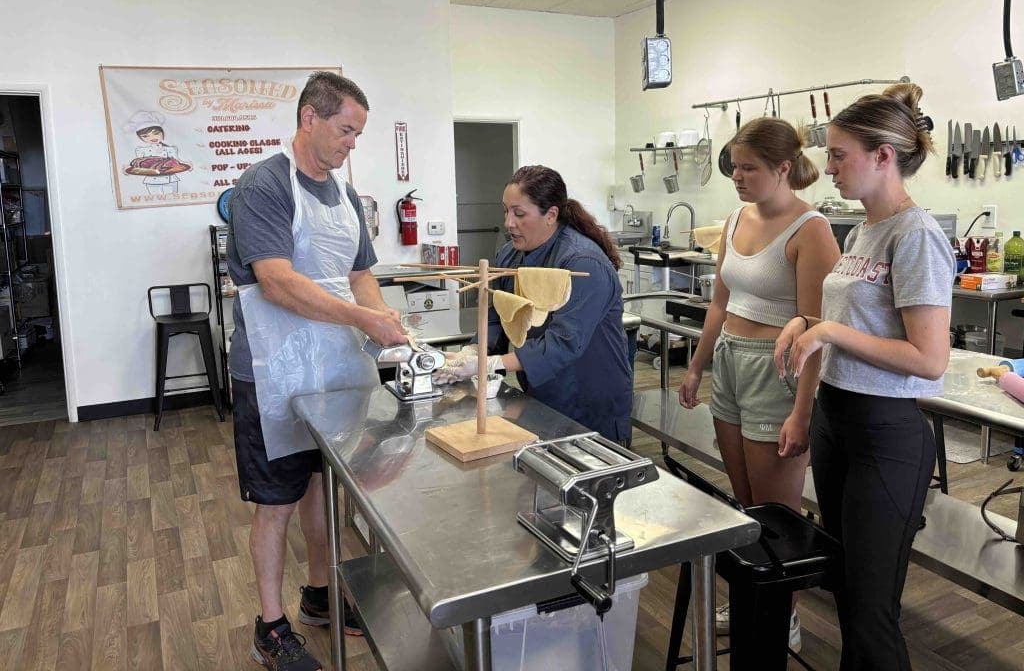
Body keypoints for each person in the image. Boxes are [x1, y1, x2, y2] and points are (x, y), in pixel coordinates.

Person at [228, 72, 407, 671]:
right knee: (277, 499)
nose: (352, 143)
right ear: (310, 117)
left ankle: (320, 596)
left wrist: (385, 322)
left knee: (321, 490)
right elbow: (275, 281)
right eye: (345, 130)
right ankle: (270, 626)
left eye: (358, 133)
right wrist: (363, 316)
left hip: (332, 369)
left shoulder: (346, 196)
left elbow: (360, 275)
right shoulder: (265, 185)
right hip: (272, 370)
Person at [774, 83, 953, 670]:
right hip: (838, 420)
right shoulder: (861, 230)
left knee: (873, 608)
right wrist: (805, 321)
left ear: (883, 156)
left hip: (885, 434)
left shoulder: (916, 234)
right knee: (846, 588)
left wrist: (825, 333)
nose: (828, 169)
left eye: (838, 155)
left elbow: (929, 359)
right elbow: (850, 319)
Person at [677, 117, 839, 649]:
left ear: (783, 168)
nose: (738, 177)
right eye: (735, 168)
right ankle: (757, 591)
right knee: (744, 503)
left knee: (778, 512)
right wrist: (698, 365)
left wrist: (802, 411)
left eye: (749, 168)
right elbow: (720, 302)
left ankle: (782, 613)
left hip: (778, 371)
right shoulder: (734, 220)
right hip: (728, 363)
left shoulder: (811, 229)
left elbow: (817, 329)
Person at [441, 165, 633, 443]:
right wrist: (473, 350)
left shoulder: (582, 263)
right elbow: (496, 317)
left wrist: (490, 364)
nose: (508, 222)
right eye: (506, 211)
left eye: (519, 214)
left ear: (551, 215)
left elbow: (564, 342)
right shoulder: (510, 255)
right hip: (542, 390)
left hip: (590, 393)